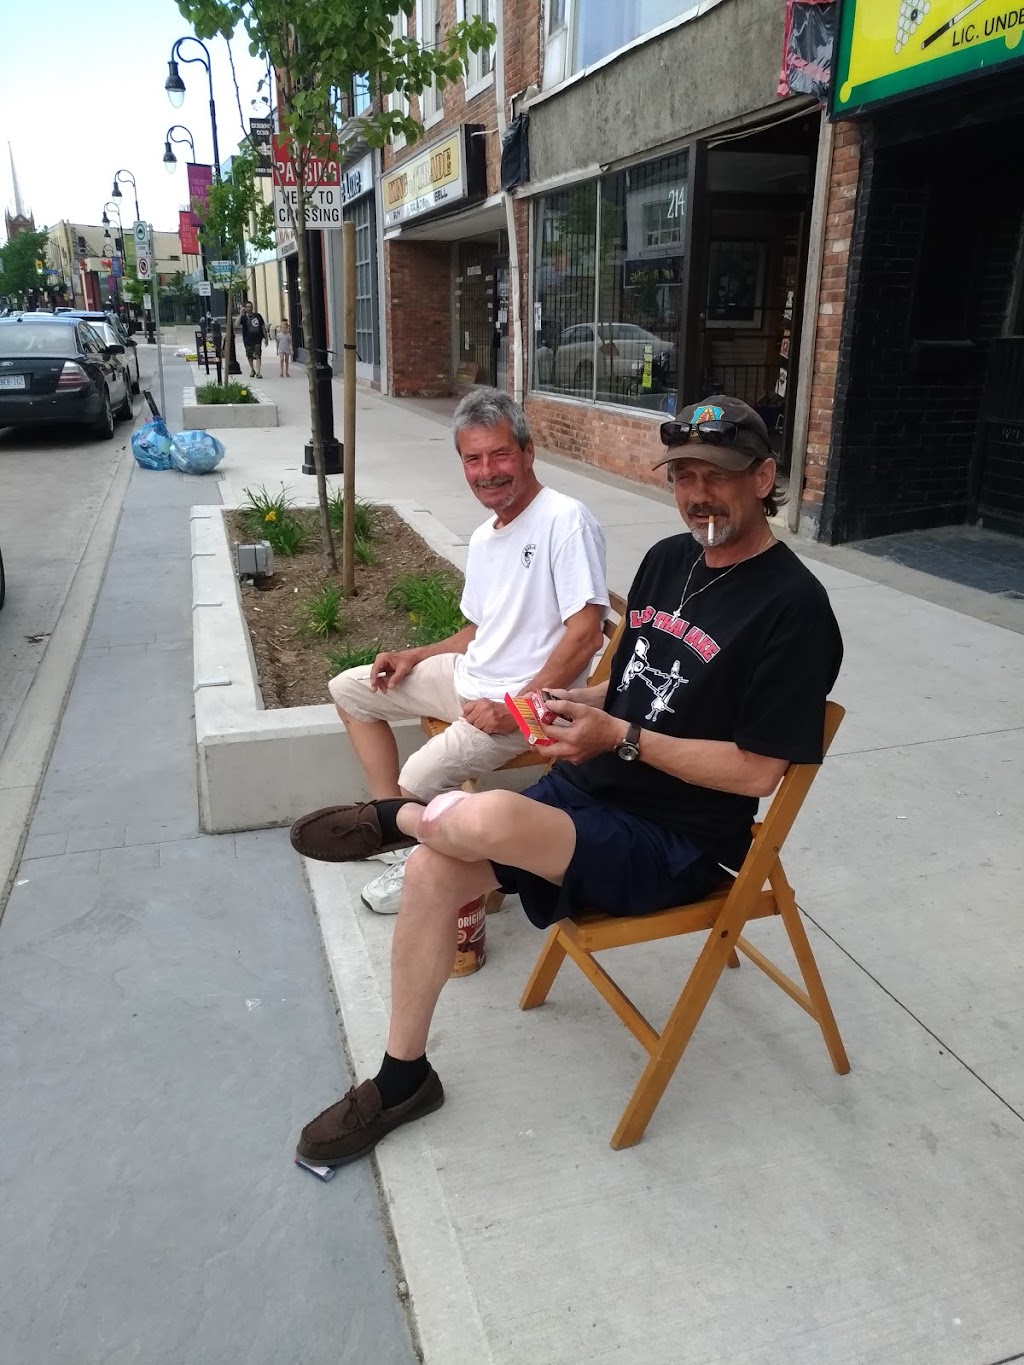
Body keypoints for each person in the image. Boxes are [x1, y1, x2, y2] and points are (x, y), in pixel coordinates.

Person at [290, 394, 844, 1168]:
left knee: (478, 819)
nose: (697, 495)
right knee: (429, 870)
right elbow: (629, 686)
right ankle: (403, 1078)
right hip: (593, 790)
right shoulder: (668, 559)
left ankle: (393, 817)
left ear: (762, 477)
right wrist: (570, 703)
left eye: (716, 476)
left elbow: (758, 769)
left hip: (674, 840)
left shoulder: (795, 609)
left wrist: (619, 737)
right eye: (683, 476)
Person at [291, 388, 609, 913]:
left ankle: (413, 849)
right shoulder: (486, 536)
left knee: (419, 775)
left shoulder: (564, 520)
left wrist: (516, 708)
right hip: (469, 678)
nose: (487, 472)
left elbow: (586, 634)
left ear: (528, 452)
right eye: (473, 459)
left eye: (500, 454)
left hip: (526, 706)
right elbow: (477, 630)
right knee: (350, 689)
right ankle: (396, 830)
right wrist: (415, 655)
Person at [239, 300, 268, 377]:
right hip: (247, 340)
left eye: (250, 306)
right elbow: (236, 323)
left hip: (257, 339)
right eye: (248, 307)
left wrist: (266, 338)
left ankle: (258, 372)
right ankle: (252, 370)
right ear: (245, 308)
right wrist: (241, 314)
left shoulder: (258, 316)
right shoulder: (244, 317)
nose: (249, 308)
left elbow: (262, 327)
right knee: (249, 356)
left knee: (258, 355)